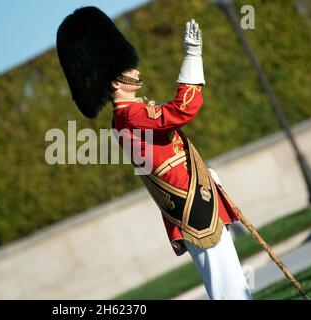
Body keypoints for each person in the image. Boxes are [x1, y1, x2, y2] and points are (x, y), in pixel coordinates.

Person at [57, 6, 252, 300]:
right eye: (128, 68)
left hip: (194, 198)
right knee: (229, 287)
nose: (136, 70)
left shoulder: (124, 117)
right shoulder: (131, 115)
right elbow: (181, 111)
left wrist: (204, 177)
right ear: (114, 81)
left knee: (230, 282)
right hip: (193, 205)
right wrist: (192, 57)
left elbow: (166, 155)